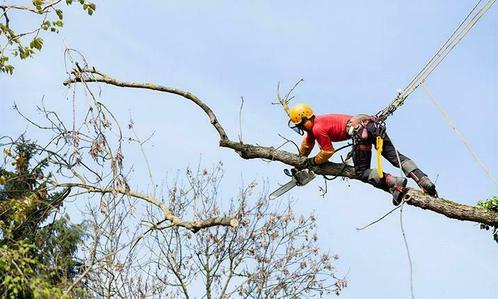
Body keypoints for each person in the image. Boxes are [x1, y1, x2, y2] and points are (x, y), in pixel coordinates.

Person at [288, 103, 437, 204]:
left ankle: (394, 183)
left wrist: (312, 162)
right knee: (395, 157)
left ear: (307, 118)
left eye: (301, 124)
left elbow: (327, 151)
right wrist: (300, 159)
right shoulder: (318, 123)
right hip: (373, 127)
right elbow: (307, 144)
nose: (302, 128)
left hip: (361, 135)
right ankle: (424, 180)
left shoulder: (317, 128)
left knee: (362, 171)